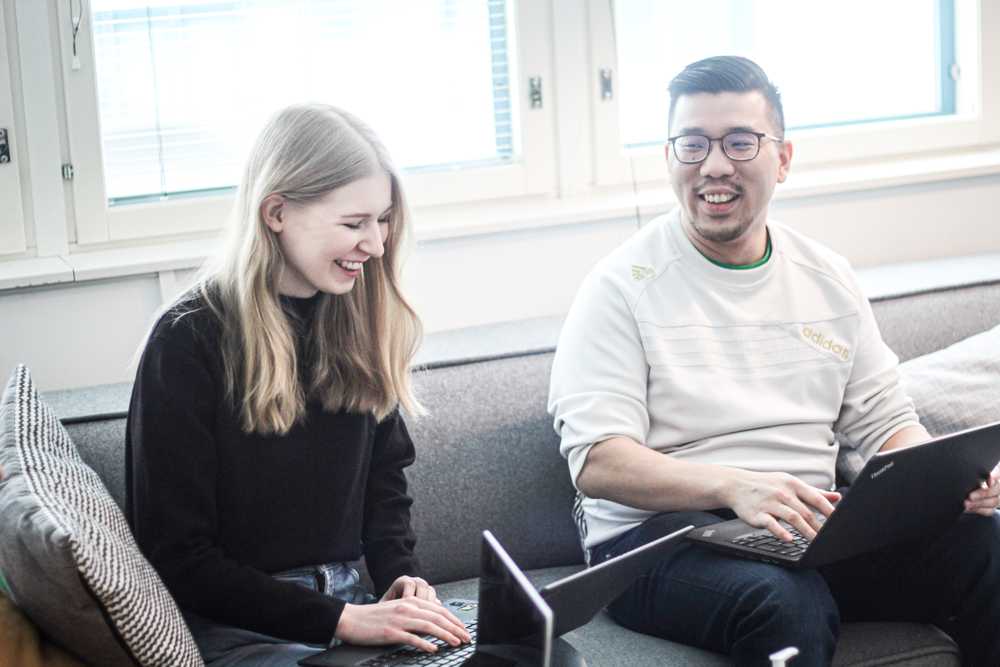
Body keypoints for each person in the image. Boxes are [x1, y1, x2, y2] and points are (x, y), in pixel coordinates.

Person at [548, 56, 1000, 666]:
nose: (714, 165)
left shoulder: (827, 278)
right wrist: (736, 486)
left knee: (986, 546)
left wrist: (945, 481)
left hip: (805, 529)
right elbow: (599, 463)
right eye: (693, 144)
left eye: (740, 142)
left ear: (782, 159)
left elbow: (884, 422)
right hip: (658, 543)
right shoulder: (620, 287)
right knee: (783, 601)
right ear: (669, 158)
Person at [126, 103, 471, 666]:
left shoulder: (356, 318)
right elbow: (179, 557)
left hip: (352, 608)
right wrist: (340, 622)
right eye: (354, 223)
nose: (378, 245)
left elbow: (384, 486)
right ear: (277, 212)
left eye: (382, 220)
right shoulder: (186, 342)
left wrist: (404, 581)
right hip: (239, 631)